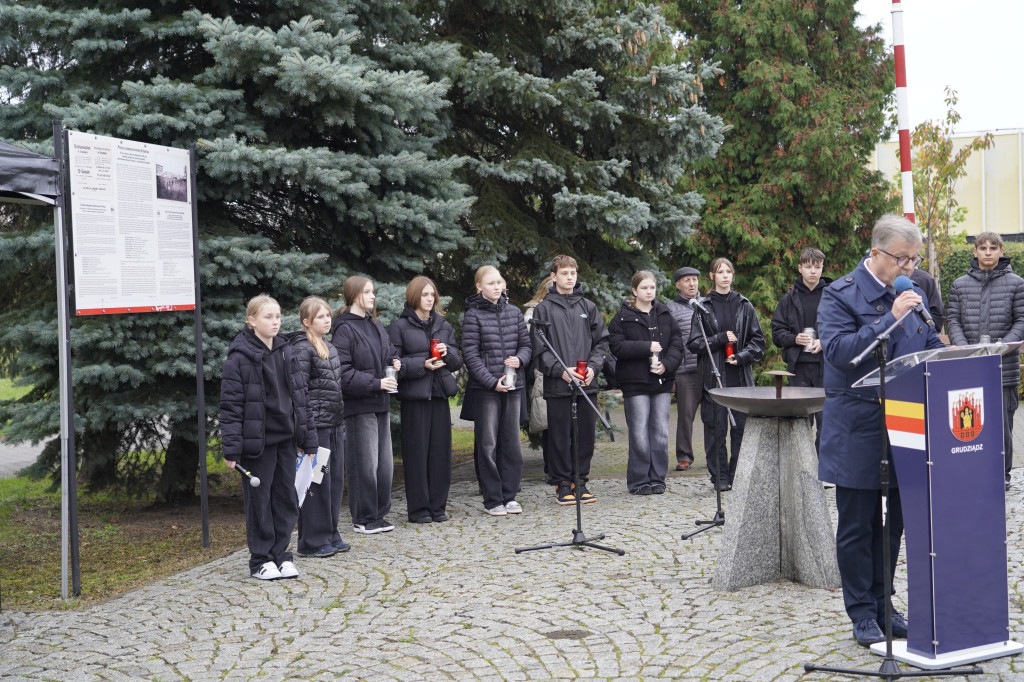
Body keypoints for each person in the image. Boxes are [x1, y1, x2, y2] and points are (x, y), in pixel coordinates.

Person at [817, 214, 945, 647]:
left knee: (894, 525)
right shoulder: (840, 295)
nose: (910, 267)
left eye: (914, 259)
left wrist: (952, 358)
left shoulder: (913, 291)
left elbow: (929, 345)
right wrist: (886, 318)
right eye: (902, 259)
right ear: (876, 253)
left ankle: (883, 601)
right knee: (860, 524)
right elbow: (837, 354)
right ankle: (861, 613)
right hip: (857, 426)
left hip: (905, 425)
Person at [220, 294, 318, 580]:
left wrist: (308, 439)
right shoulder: (238, 359)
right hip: (257, 445)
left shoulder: (288, 352)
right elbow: (230, 407)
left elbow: (302, 399)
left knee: (285, 498)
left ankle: (281, 555)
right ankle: (261, 560)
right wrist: (232, 449)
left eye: (277, 317)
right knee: (259, 502)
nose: (274, 322)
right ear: (251, 321)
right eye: (267, 317)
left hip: (287, 440)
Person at [946, 231, 1024, 491]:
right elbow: (953, 319)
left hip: (1003, 367)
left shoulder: (1017, 283)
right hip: (968, 368)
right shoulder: (959, 284)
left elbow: (1022, 321)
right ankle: (971, 471)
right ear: (975, 252)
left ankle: (1002, 475)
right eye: (983, 248)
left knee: (1001, 427)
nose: (988, 252)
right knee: (969, 425)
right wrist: (965, 349)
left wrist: (1001, 348)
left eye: (993, 248)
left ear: (1002, 251)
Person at [532, 255, 610, 505]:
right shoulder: (543, 309)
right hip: (558, 384)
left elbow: (601, 343)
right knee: (559, 435)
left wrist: (593, 368)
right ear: (553, 276)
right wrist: (560, 370)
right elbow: (538, 349)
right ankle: (562, 483)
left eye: (573, 273)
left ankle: (581, 481)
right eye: (564, 273)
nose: (569, 277)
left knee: (584, 434)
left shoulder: (588, 307)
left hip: (586, 383)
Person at [331, 276, 403, 535]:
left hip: (380, 402)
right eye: (367, 292)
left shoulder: (375, 325)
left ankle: (379, 514)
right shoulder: (344, 329)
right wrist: (375, 383)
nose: (373, 296)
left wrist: (395, 362)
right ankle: (363, 516)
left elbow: (390, 352)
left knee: (384, 463)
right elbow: (342, 372)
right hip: (359, 406)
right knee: (364, 462)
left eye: (374, 291)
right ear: (353, 295)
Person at [388, 276, 463, 522]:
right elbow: (394, 362)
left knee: (441, 454)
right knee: (417, 455)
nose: (430, 299)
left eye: (432, 295)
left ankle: (438, 507)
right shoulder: (399, 326)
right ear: (414, 297)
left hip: (439, 394)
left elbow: (457, 360)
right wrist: (422, 363)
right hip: (415, 398)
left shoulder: (443, 325)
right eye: (425, 295)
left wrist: (447, 352)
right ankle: (419, 510)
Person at [687, 257, 765, 491]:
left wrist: (742, 356)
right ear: (711, 276)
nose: (725, 275)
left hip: (739, 377)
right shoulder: (702, 307)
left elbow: (758, 342)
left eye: (728, 271)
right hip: (713, 377)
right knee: (715, 429)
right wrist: (718, 339)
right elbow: (694, 343)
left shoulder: (744, 305)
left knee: (741, 429)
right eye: (719, 272)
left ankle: (739, 473)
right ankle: (719, 477)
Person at [462, 265, 532, 515]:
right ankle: (493, 499)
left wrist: (520, 360)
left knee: (511, 442)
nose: (496, 287)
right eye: (490, 283)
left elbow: (526, 345)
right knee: (488, 443)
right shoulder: (472, 315)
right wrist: (492, 382)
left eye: (499, 282)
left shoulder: (514, 312)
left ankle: (510, 495)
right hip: (487, 389)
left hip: (514, 386)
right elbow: (470, 354)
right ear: (479, 287)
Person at [608, 270, 684, 495]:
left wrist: (667, 365)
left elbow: (678, 344)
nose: (649, 292)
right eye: (644, 288)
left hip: (661, 380)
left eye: (652, 288)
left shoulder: (665, 314)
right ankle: (639, 481)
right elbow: (616, 346)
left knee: (660, 432)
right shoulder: (622, 317)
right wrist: (646, 346)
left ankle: (658, 479)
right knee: (639, 433)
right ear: (634, 290)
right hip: (635, 383)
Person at [287, 296, 349, 558]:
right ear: (307, 322)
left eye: (328, 315)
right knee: (316, 483)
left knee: (333, 482)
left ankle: (330, 531)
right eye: (320, 317)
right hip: (317, 428)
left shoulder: (329, 347)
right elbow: (299, 393)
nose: (327, 320)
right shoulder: (303, 349)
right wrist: (306, 432)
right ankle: (312, 540)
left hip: (334, 426)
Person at [770, 247, 831, 453]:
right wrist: (794, 338)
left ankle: (822, 470)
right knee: (802, 422)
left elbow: (845, 327)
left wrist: (825, 341)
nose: (813, 271)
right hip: (798, 368)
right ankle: (804, 470)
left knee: (827, 422)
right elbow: (777, 333)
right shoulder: (789, 298)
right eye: (808, 267)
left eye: (817, 267)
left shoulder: (832, 295)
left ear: (822, 268)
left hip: (827, 367)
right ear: (800, 269)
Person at [666, 266, 703, 471]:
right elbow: (670, 342)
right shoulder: (671, 309)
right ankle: (684, 456)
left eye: (695, 280)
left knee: (714, 415)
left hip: (708, 368)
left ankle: (717, 454)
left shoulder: (707, 304)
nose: (692, 284)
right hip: (685, 371)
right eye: (687, 280)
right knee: (686, 416)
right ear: (678, 284)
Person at [523, 275, 555, 484]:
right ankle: (552, 470)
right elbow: (531, 346)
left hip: (566, 371)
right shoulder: (533, 314)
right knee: (549, 424)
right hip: (543, 374)